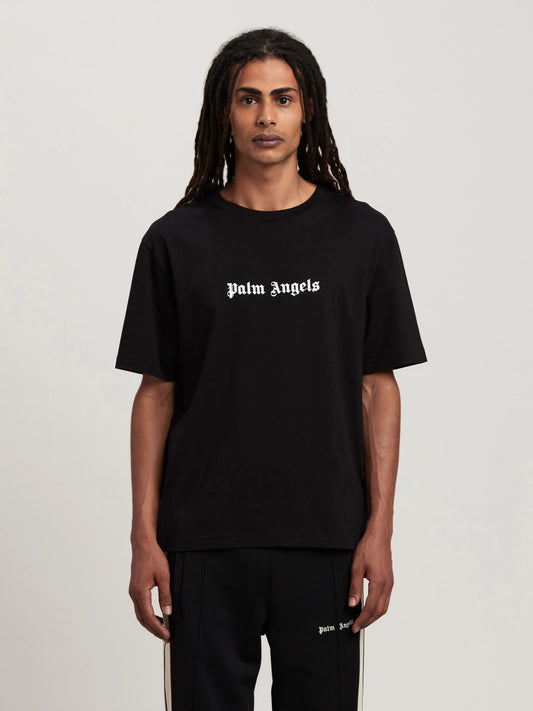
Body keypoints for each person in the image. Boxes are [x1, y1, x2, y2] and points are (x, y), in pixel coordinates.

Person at [114, 27, 427, 711]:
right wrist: (144, 537)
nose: (265, 116)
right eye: (248, 99)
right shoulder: (175, 240)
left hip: (327, 541)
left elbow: (378, 388)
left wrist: (379, 529)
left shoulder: (361, 236)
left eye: (282, 99)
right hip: (203, 540)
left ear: (307, 109)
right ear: (223, 113)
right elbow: (155, 393)